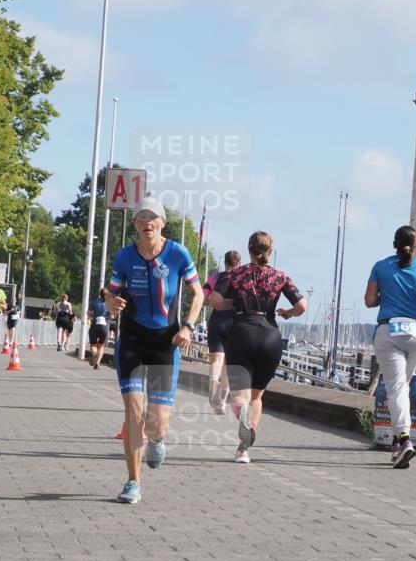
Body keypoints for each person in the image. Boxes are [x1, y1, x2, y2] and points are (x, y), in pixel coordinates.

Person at [106, 197, 202, 503]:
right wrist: (111, 302)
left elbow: (198, 294)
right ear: (135, 224)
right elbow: (110, 293)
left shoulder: (177, 253)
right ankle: (133, 482)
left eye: (153, 217)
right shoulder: (124, 256)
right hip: (132, 341)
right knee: (134, 414)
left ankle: (158, 439)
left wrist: (188, 327)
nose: (147, 222)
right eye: (141, 217)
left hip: (165, 343)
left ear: (162, 223)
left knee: (156, 422)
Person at [209, 232, 306, 463]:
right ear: (270, 251)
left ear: (249, 250)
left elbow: (214, 299)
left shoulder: (236, 274)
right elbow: (302, 305)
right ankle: (243, 449)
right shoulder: (280, 277)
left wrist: (233, 303)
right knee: (257, 396)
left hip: (241, 333)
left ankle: (242, 416)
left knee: (239, 397)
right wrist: (288, 313)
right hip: (270, 338)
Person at [364, 225, 416, 469]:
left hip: (389, 331)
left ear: (394, 244)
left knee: (397, 388)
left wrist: (384, 297)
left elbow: (369, 300)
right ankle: (396, 447)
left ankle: (404, 439)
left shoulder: (380, 266)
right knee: (401, 388)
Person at [203, 250, 242, 414]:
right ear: (239, 263)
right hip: (235, 323)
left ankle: (213, 385)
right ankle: (222, 403)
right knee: (228, 364)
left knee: (216, 359)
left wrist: (216, 301)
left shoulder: (215, 278)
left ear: (225, 263)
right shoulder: (243, 279)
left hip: (217, 321)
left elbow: (203, 300)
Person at [87, 287, 110, 369]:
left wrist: (93, 316)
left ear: (100, 294)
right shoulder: (108, 303)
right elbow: (112, 316)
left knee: (93, 344)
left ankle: (94, 356)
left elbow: (88, 313)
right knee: (101, 345)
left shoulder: (93, 302)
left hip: (94, 325)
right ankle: (97, 363)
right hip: (104, 326)